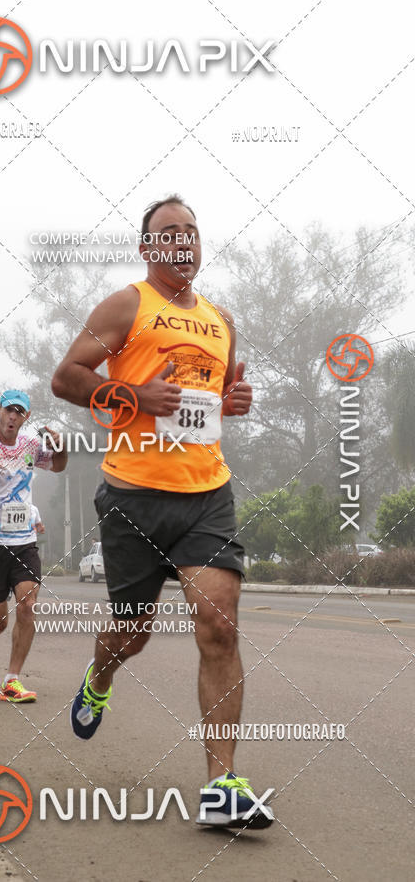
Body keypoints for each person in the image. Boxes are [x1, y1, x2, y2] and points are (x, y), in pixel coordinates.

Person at [52, 195, 272, 829]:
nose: (182, 239)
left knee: (219, 626)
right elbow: (66, 377)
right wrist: (134, 394)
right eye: (168, 231)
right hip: (133, 496)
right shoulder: (128, 305)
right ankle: (100, 677)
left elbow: (213, 396)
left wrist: (233, 400)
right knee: (131, 635)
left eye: (191, 230)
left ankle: (220, 785)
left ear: (200, 247)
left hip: (206, 494)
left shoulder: (221, 318)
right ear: (149, 249)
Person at [0, 390, 68, 703]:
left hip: (22, 541)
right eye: (9, 411)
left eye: (19, 412)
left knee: (28, 606)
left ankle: (11, 680)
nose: (13, 417)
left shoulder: (31, 446)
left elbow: (58, 465)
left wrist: (61, 447)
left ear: (26, 418)